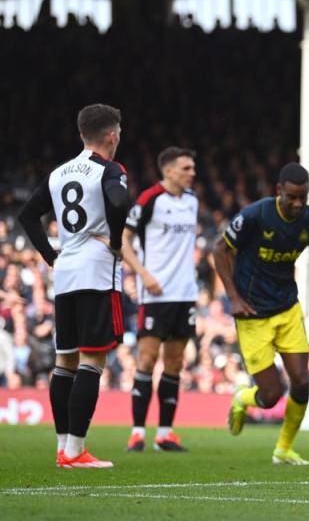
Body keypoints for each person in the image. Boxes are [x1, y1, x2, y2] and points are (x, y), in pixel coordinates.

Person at [213, 163, 309, 465]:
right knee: (270, 396)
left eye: (303, 197)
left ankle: (284, 449)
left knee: (302, 382)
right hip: (252, 314)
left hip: (288, 308)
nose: (297, 204)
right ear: (278, 191)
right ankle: (243, 398)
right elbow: (219, 251)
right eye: (291, 197)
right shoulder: (255, 215)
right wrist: (233, 298)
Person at [17, 103, 129, 468]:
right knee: (93, 358)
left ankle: (63, 447)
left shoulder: (59, 173)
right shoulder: (110, 169)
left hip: (65, 273)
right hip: (96, 272)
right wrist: (115, 238)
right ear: (112, 135)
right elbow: (118, 199)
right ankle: (77, 450)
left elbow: (27, 215)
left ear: (83, 134)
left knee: (65, 360)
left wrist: (52, 257)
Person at [122, 147, 199, 453]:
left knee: (176, 363)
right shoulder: (150, 199)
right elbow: (123, 240)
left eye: (192, 168)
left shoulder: (192, 201)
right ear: (168, 171)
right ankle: (137, 432)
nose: (192, 172)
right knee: (147, 359)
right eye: (186, 168)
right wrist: (143, 274)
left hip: (186, 294)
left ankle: (165, 433)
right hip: (155, 294)